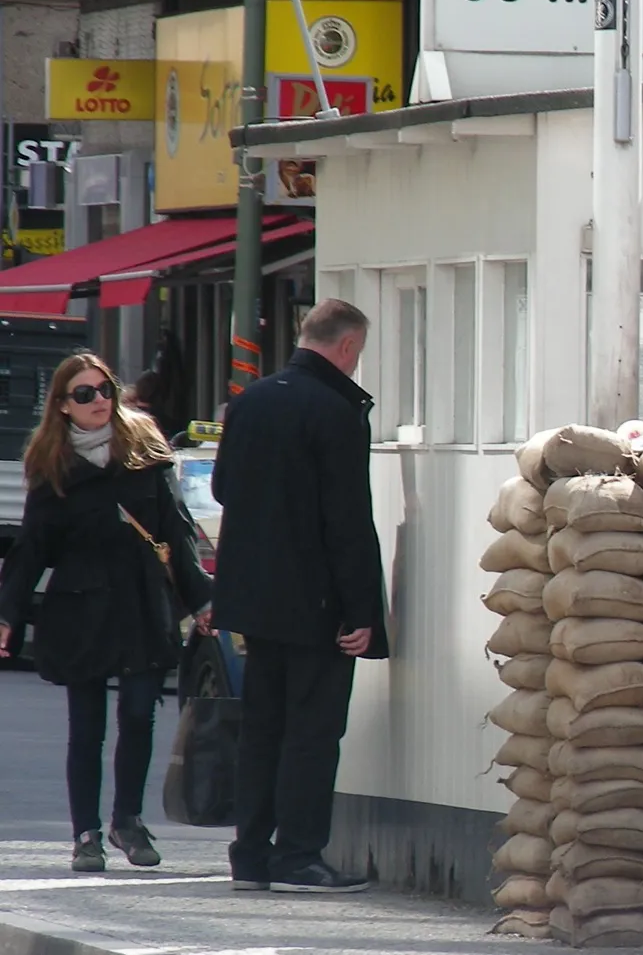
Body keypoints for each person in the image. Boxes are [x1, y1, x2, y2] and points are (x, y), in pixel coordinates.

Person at [0, 353, 211, 872]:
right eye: (84, 394)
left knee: (139, 715)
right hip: (81, 607)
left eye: (104, 390)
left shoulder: (143, 450)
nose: (98, 401)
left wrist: (201, 598)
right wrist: (8, 612)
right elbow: (32, 548)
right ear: (64, 406)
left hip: (141, 601)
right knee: (86, 727)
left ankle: (128, 821)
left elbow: (175, 529)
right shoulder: (51, 466)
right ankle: (85, 833)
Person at [211, 299, 389, 895]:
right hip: (317, 604)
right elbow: (346, 520)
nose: (356, 365)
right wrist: (363, 612)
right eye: (357, 354)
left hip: (255, 602)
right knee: (312, 733)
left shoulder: (248, 402)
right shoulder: (336, 410)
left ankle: (249, 857)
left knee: (261, 729)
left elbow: (223, 487)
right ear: (345, 347)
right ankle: (299, 856)